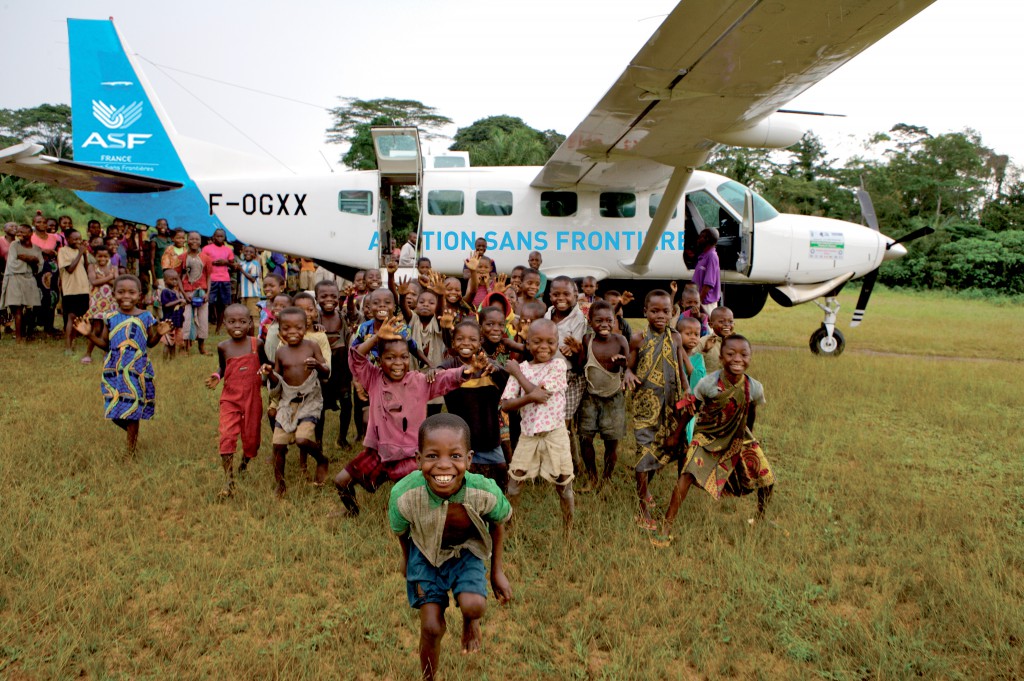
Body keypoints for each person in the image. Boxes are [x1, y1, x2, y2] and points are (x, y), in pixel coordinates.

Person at [389, 414, 512, 680]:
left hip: (465, 552)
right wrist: (405, 558)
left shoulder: (485, 492)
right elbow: (401, 531)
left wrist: (496, 571)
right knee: (431, 627)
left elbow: (499, 522)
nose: (444, 466)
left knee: (474, 605)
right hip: (424, 554)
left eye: (455, 456)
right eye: (432, 456)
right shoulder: (404, 495)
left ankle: (470, 622)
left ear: (469, 459)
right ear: (417, 458)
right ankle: (428, 677)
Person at [333, 316, 484, 517]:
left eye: (404, 357)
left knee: (416, 496)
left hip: (409, 455)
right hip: (379, 452)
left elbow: (446, 378)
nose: (398, 363)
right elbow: (356, 359)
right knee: (341, 481)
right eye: (390, 357)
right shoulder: (373, 378)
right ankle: (352, 512)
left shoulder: (419, 381)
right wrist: (377, 337)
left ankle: (431, 515)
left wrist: (468, 370)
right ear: (379, 360)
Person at [655, 335, 776, 545]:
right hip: (708, 437)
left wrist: (750, 438)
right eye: (731, 354)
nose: (737, 359)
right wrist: (676, 435)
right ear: (721, 358)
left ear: (750, 357)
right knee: (687, 475)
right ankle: (666, 525)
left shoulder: (754, 387)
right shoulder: (708, 384)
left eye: (744, 354)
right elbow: (690, 409)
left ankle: (760, 517)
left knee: (766, 478)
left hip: (739, 435)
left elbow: (751, 411)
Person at [74, 275, 172, 456]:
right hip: (115, 368)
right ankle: (132, 433)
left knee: (132, 408)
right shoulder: (110, 317)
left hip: (137, 368)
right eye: (121, 292)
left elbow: (150, 343)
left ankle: (130, 452)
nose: (126, 296)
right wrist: (89, 334)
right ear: (113, 294)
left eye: (131, 292)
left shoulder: (146, 316)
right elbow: (105, 343)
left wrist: (159, 334)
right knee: (113, 408)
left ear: (140, 295)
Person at [500, 318, 574, 529]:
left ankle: (568, 532)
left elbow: (542, 395)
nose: (544, 347)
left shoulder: (558, 365)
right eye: (537, 341)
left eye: (551, 342)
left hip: (555, 433)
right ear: (528, 342)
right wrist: (528, 394)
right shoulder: (522, 367)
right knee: (514, 485)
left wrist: (517, 375)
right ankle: (509, 528)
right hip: (528, 435)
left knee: (564, 485)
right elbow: (505, 405)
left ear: (558, 343)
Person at [626, 289, 688, 531]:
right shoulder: (638, 339)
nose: (660, 315)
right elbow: (630, 366)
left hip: (670, 406)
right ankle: (641, 508)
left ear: (673, 312)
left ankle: (646, 489)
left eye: (666, 311)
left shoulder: (676, 338)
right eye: (654, 311)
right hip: (644, 406)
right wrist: (629, 373)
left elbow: (681, 369)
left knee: (661, 452)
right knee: (643, 453)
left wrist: (687, 391)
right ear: (645, 312)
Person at [261, 306, 331, 497]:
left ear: (305, 326)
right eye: (286, 328)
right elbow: (278, 380)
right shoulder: (281, 352)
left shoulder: (312, 346)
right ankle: (281, 483)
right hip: (287, 401)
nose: (292, 332)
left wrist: (317, 365)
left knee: (302, 439)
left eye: (298, 328)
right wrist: (269, 374)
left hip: (310, 399)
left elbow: (326, 372)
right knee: (278, 445)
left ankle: (321, 459)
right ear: (279, 330)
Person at [438, 320, 511, 490]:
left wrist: (496, 370)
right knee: (463, 476)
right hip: (462, 436)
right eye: (460, 339)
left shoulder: (489, 366)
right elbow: (438, 374)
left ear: (480, 343)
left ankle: (502, 501)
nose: (466, 343)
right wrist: (433, 372)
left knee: (501, 468)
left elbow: (507, 383)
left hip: (489, 435)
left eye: (472, 339)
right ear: (453, 343)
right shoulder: (450, 365)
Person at [206, 304, 269, 497]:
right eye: (231, 321)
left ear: (250, 322)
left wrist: (267, 371)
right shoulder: (223, 347)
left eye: (242, 321)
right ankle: (228, 480)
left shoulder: (256, 344)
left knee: (252, 440)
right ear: (224, 323)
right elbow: (223, 368)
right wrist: (217, 376)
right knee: (226, 435)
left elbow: (267, 364)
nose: (237, 326)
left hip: (252, 399)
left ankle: (244, 463)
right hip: (230, 399)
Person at [574, 300, 629, 492]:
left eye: (609, 320)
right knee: (585, 438)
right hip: (590, 397)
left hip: (614, 398)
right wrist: (576, 351)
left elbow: (630, 364)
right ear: (590, 321)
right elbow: (581, 364)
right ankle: (592, 477)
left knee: (611, 441)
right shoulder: (588, 340)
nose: (604, 324)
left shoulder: (620, 341)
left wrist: (624, 362)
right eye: (599, 320)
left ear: (615, 321)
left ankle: (606, 479)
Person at [315, 280, 354, 448]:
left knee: (347, 403)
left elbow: (353, 313)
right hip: (323, 370)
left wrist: (351, 299)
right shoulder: (314, 318)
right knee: (320, 407)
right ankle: (318, 441)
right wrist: (313, 326)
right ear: (316, 298)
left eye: (333, 296)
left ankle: (342, 438)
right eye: (323, 296)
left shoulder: (342, 315)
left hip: (341, 368)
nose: (328, 299)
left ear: (339, 297)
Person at [0, 224, 42, 343]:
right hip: (15, 278)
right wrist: (32, 259)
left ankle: (28, 334)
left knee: (30, 308)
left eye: (23, 232)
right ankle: (18, 337)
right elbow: (13, 265)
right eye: (18, 232)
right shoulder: (14, 245)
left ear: (30, 233)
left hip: (29, 279)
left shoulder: (36, 248)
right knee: (17, 309)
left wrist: (27, 258)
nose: (20, 234)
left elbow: (38, 266)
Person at [81, 245, 117, 363]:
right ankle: (88, 353)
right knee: (96, 327)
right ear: (94, 256)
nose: (102, 258)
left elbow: (116, 284)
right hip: (97, 301)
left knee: (108, 327)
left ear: (109, 257)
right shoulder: (92, 266)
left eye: (105, 256)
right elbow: (94, 281)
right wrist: (110, 277)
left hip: (111, 301)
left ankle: (106, 353)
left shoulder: (113, 267)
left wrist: (105, 278)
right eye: (99, 256)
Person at [57, 231, 91, 354]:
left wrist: (85, 254)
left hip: (83, 288)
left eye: (79, 239)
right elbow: (70, 269)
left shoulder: (80, 251)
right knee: (71, 317)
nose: (77, 241)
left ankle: (74, 341)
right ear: (67, 239)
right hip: (71, 289)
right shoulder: (63, 251)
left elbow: (86, 268)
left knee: (80, 317)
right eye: (74, 239)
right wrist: (80, 252)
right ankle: (68, 347)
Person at [180, 231, 212, 356]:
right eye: (191, 239)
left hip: (202, 292)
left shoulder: (206, 258)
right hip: (187, 293)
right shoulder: (181, 258)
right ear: (187, 240)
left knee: (203, 319)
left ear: (200, 241)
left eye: (197, 239)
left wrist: (208, 293)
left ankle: (201, 346)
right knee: (187, 319)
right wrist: (183, 293)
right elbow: (177, 276)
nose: (194, 242)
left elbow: (209, 276)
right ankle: (185, 347)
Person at [201, 228, 235, 334]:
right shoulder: (206, 249)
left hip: (224, 279)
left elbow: (233, 265)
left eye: (222, 236)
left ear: (225, 237)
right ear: (213, 237)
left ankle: (218, 329)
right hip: (211, 279)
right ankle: (204, 326)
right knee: (208, 303)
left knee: (222, 304)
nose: (220, 238)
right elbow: (202, 263)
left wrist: (226, 262)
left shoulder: (228, 250)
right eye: (217, 236)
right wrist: (212, 262)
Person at [697, 306, 735, 375]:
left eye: (730, 321)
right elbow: (692, 361)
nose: (727, 324)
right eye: (721, 321)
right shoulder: (703, 341)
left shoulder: (736, 342)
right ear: (711, 325)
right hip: (709, 383)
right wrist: (704, 351)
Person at [692, 227, 721, 316]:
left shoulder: (712, 256)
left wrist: (699, 301)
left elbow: (708, 284)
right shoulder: (704, 256)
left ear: (707, 239)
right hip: (700, 301)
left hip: (706, 303)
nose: (698, 240)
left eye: (701, 237)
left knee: (708, 328)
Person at [158, 269, 186, 359]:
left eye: (176, 279)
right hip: (168, 321)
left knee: (173, 343)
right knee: (168, 342)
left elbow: (178, 306)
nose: (174, 281)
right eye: (172, 279)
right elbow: (166, 305)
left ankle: (172, 360)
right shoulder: (165, 292)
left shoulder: (176, 292)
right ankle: (165, 361)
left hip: (177, 321)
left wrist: (182, 304)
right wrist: (179, 301)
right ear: (165, 280)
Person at [237, 245, 263, 330]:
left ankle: (251, 338)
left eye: (251, 252)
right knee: (244, 316)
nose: (248, 253)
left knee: (251, 317)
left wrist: (241, 270)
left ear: (255, 254)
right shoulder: (242, 263)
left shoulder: (255, 264)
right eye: (246, 251)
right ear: (243, 252)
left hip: (253, 294)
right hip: (244, 294)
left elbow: (252, 279)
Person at [148, 218, 173, 288]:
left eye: (165, 225)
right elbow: (152, 261)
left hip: (170, 272)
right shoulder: (154, 241)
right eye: (160, 225)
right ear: (156, 227)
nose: (162, 227)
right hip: (159, 273)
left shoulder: (170, 240)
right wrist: (154, 279)